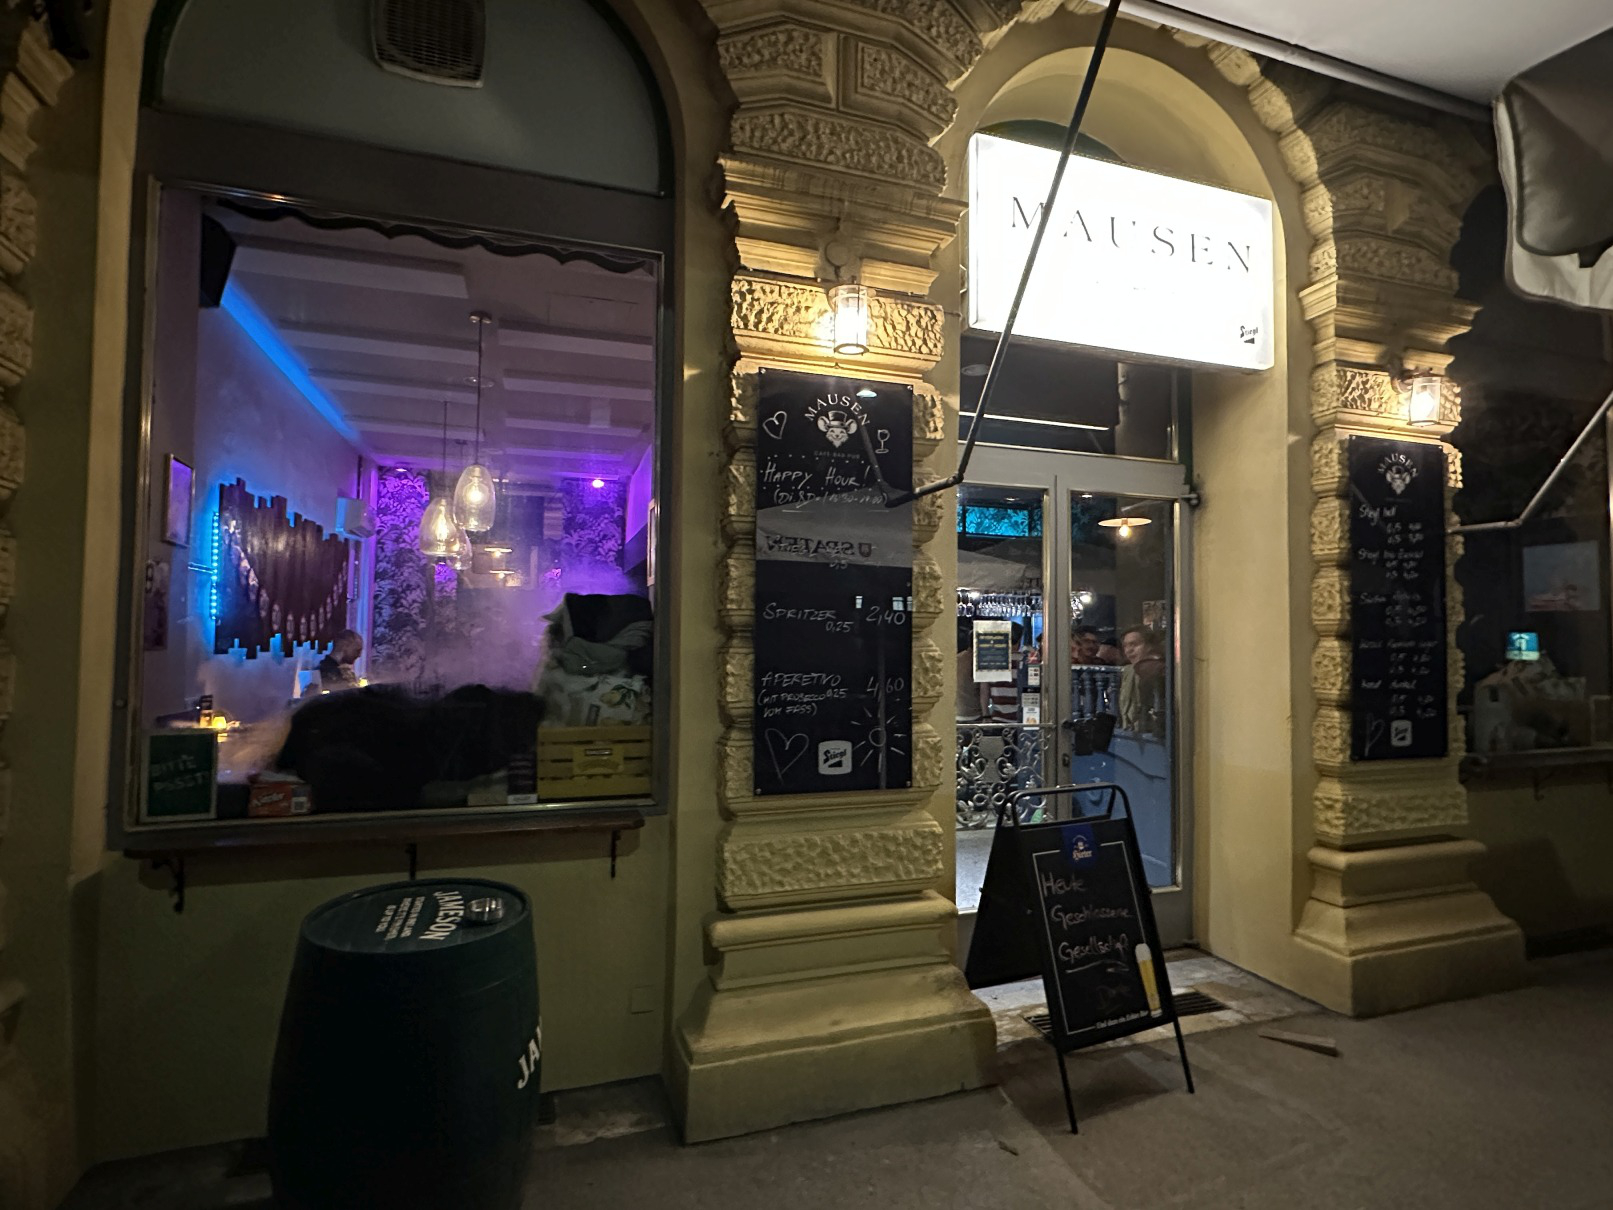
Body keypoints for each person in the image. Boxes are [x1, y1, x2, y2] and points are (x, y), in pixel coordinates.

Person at [1118, 625, 1166, 734]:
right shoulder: (1129, 669)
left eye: (1134, 644)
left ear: (1150, 646)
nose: (1129, 650)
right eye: (1125, 646)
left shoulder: (1156, 667)